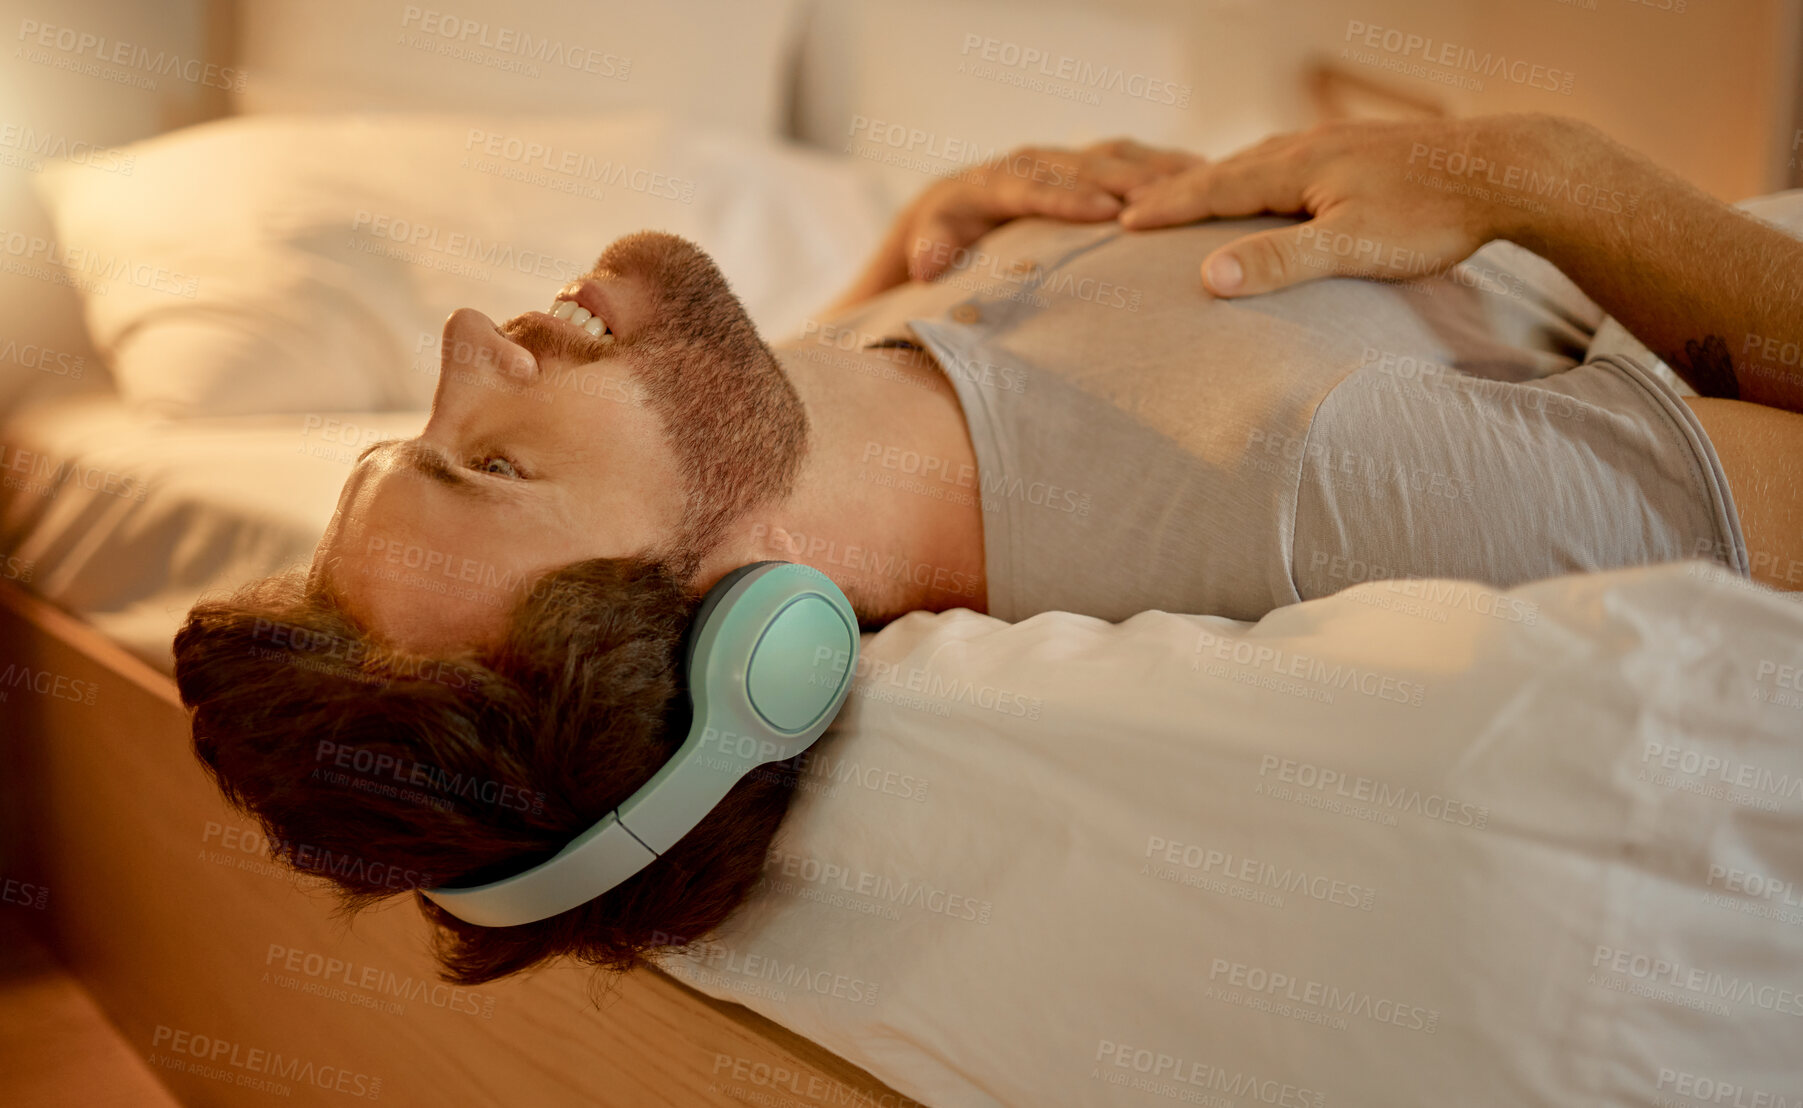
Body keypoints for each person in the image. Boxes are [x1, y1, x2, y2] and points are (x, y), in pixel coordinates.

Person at [172, 112, 1803, 986]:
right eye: (497, 462)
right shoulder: (1319, 485)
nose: (468, 337)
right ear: (762, 629)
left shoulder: (822, 406)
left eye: (421, 437)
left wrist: (926, 258)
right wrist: (1528, 171)